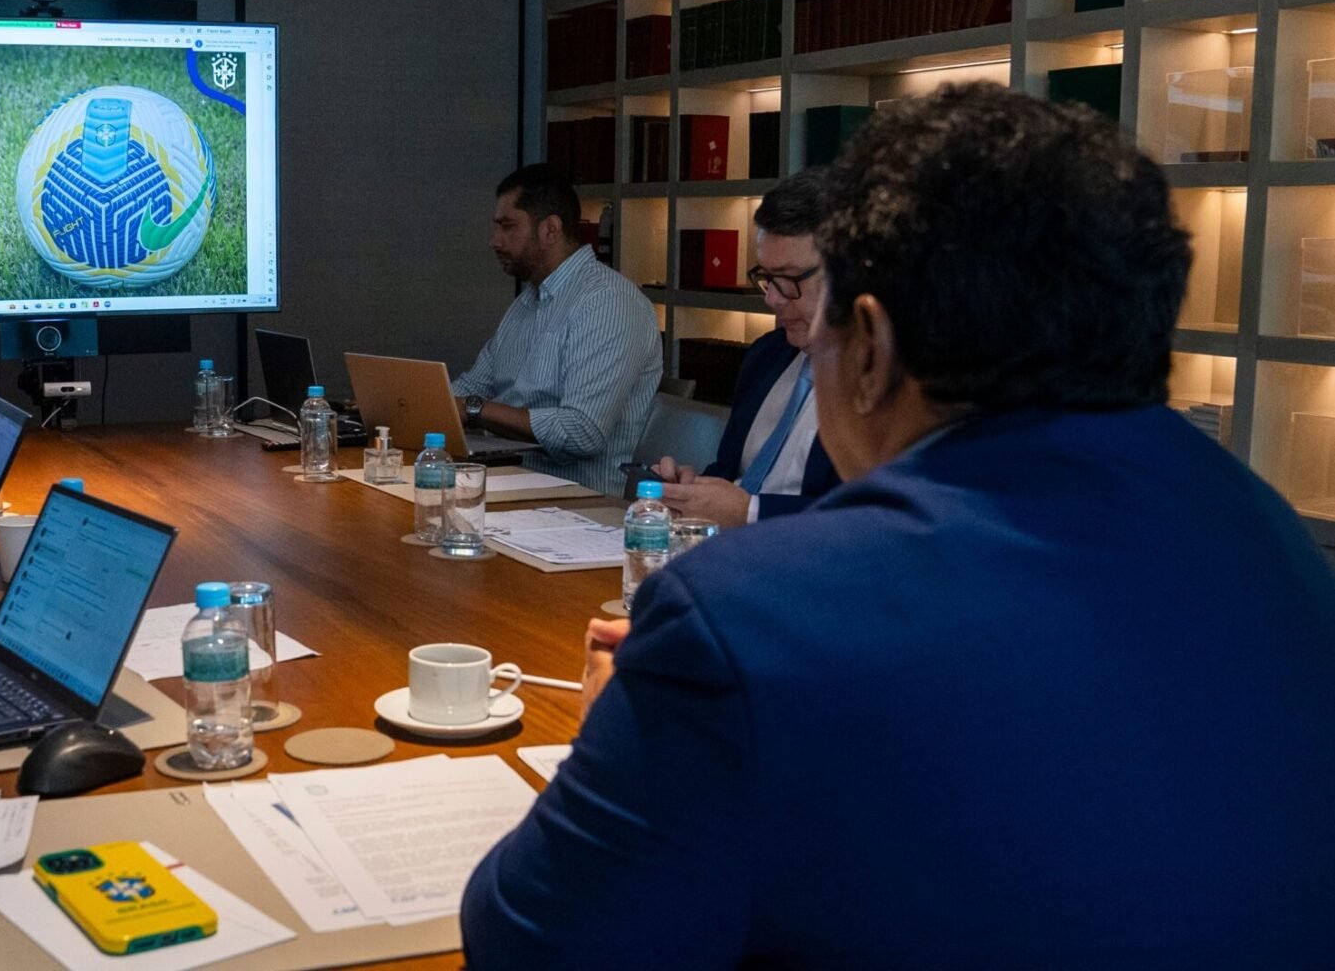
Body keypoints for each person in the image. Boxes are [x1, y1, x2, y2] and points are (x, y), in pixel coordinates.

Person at [461, 84, 1335, 967]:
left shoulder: (743, 618)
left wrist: (617, 737)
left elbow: (528, 942)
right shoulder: (1281, 547)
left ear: (869, 346)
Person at [451, 163, 661, 494]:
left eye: (507, 227)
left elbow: (581, 432)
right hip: (512, 482)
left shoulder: (609, 303)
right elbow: (473, 386)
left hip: (578, 501)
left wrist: (475, 410)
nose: (495, 242)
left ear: (550, 229)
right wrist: (414, 402)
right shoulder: (528, 302)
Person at [656, 167, 839, 525]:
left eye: (786, 279)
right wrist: (692, 492)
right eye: (766, 278)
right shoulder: (767, 354)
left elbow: (871, 520)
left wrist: (749, 513)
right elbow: (731, 473)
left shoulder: (895, 384)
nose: (771, 298)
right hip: (727, 558)